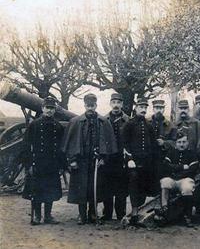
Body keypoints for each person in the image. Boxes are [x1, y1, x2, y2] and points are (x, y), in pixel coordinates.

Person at [62, 93, 117, 225]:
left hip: (96, 162)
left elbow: (110, 143)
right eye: (88, 106)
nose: (90, 108)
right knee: (81, 188)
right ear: (85, 105)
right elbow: (69, 143)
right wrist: (72, 160)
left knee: (95, 188)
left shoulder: (104, 122)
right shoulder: (75, 122)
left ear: (96, 105)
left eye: (93, 105)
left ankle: (92, 213)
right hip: (81, 162)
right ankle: (82, 215)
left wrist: (104, 158)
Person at [22, 97, 65, 225]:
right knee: (36, 190)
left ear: (55, 110)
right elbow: (26, 146)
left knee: (49, 190)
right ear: (42, 108)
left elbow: (62, 148)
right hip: (37, 163)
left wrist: (62, 165)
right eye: (47, 108)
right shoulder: (34, 125)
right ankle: (37, 216)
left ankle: (48, 216)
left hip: (52, 163)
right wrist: (28, 164)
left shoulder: (58, 126)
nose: (49, 110)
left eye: (52, 108)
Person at [122, 98, 157, 225]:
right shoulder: (129, 124)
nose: (143, 109)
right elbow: (124, 143)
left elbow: (153, 144)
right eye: (141, 107)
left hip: (146, 162)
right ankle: (134, 212)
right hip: (133, 162)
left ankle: (140, 210)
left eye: (145, 107)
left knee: (143, 186)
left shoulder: (149, 125)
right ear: (136, 108)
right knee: (134, 184)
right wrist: (129, 159)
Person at [156, 131, 199, 227]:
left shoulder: (192, 154)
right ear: (176, 143)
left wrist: (175, 170)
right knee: (165, 182)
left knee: (187, 188)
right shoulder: (171, 152)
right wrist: (182, 167)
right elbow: (166, 166)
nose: (181, 144)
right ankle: (165, 211)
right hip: (172, 179)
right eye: (179, 142)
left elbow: (192, 170)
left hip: (185, 179)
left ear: (187, 143)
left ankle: (187, 216)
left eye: (184, 142)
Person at [101, 93, 130, 221]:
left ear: (122, 104)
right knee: (107, 187)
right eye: (114, 102)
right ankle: (107, 214)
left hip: (121, 158)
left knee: (121, 188)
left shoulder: (128, 120)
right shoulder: (104, 120)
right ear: (110, 104)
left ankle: (120, 214)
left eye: (118, 102)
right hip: (108, 159)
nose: (116, 105)